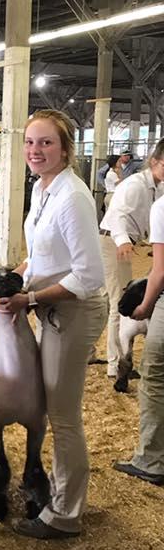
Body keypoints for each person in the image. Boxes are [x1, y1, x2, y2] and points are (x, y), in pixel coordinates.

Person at [0, 109, 106, 539]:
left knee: (63, 416)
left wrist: (31, 298)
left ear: (66, 149)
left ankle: (65, 513)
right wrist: (17, 277)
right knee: (49, 406)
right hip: (51, 309)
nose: (35, 151)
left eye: (45, 143)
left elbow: (88, 276)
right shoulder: (43, 189)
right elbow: (44, 256)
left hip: (72, 314)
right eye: (29, 142)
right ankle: (53, 491)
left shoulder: (73, 196)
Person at [99, 140, 164, 378]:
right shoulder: (135, 184)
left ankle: (101, 355)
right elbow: (116, 212)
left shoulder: (158, 188)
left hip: (124, 243)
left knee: (106, 298)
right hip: (112, 242)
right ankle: (116, 366)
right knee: (121, 303)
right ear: (153, 161)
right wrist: (123, 239)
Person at [114, 190, 164, 485]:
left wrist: (145, 305)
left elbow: (160, 270)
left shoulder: (161, 207)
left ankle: (151, 460)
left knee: (155, 376)